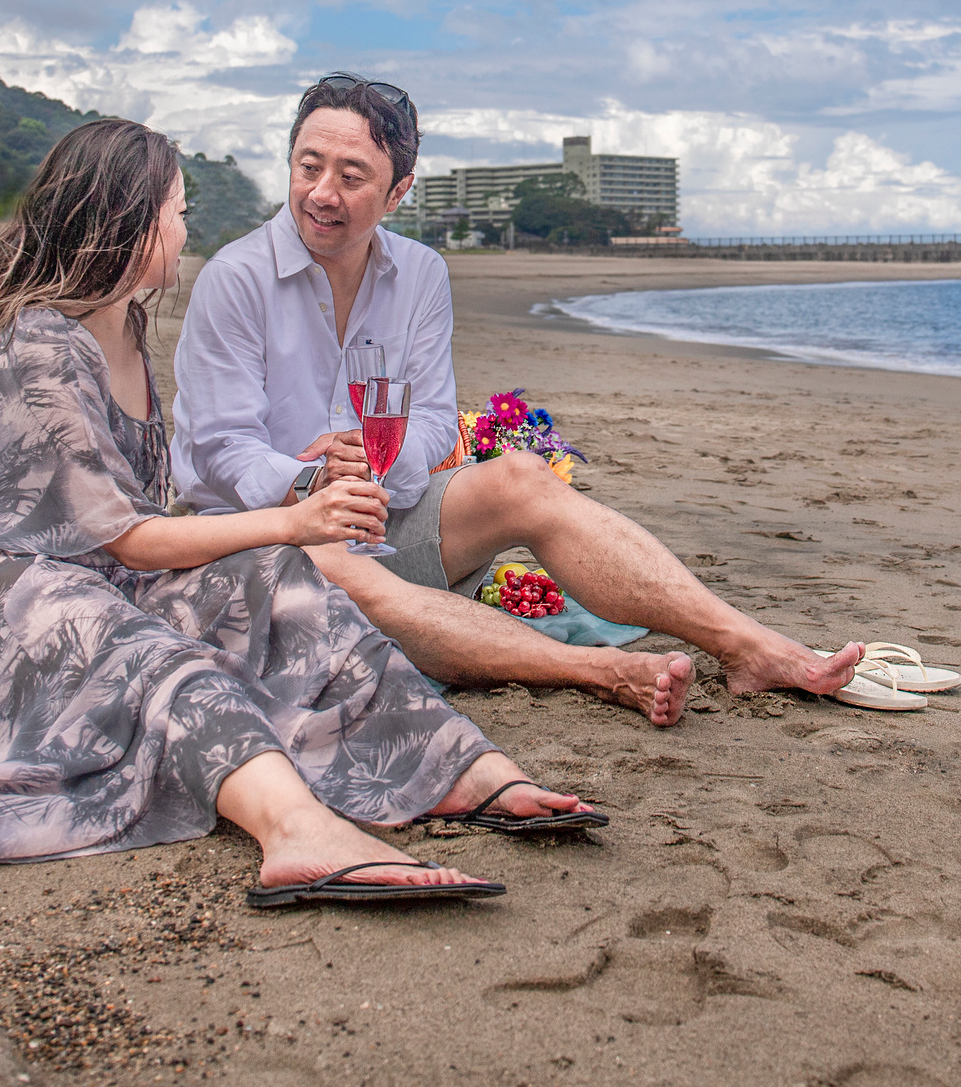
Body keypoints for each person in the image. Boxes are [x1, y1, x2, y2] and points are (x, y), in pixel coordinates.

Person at [0, 118, 593, 926]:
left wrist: (277, 542)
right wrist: (292, 521)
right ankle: (296, 833)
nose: (185, 228)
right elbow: (129, 539)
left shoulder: (127, 325)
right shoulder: (37, 346)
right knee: (151, 647)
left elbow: (138, 520)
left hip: (89, 554)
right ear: (129, 229)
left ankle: (455, 769)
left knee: (277, 587)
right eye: (178, 211)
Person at [171, 76, 863, 730]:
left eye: (351, 178)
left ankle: (744, 645)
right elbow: (222, 449)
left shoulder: (418, 274)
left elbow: (437, 421)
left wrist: (376, 471)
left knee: (523, 479)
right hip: (262, 540)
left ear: (398, 190)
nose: (322, 192)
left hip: (378, 519)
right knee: (343, 563)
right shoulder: (236, 278)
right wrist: (313, 484)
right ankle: (600, 671)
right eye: (308, 166)